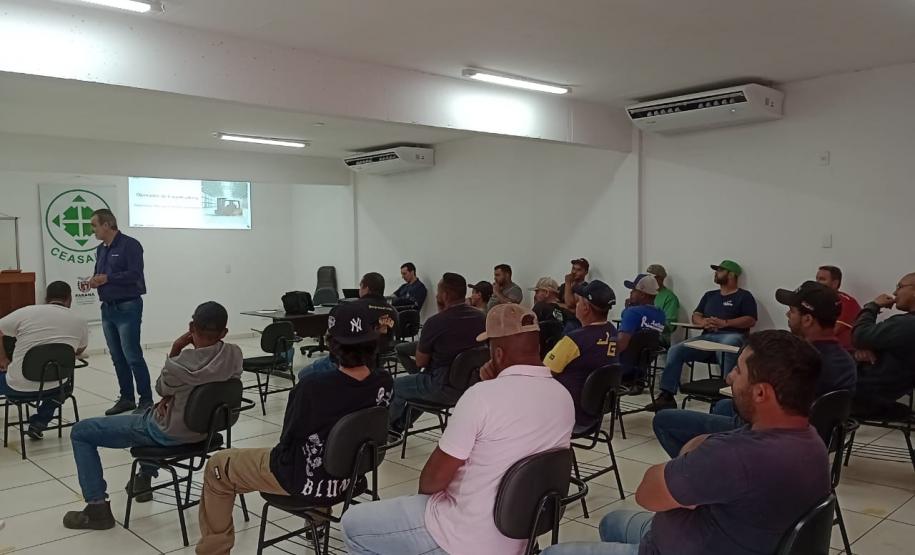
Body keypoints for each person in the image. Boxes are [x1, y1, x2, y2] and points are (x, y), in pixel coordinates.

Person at [543, 330, 830, 555]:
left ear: (761, 393)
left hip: (669, 548)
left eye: (739, 371)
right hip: (707, 533)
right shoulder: (811, 441)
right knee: (611, 521)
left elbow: (647, 494)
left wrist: (691, 463)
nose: (729, 376)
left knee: (551, 553)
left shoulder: (736, 457)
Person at [342, 304, 575, 555]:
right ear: (537, 347)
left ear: (497, 354)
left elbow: (431, 482)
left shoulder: (481, 398)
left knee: (353, 523)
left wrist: (490, 387)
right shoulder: (563, 398)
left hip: (462, 538)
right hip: (521, 538)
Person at [195, 302, 393, 555]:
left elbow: (288, 441)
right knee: (323, 446)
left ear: (331, 342)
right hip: (350, 479)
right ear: (373, 340)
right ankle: (318, 521)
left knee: (218, 466)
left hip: (304, 480)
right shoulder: (384, 383)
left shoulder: (312, 387)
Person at [62, 302, 243, 530]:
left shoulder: (179, 364)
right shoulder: (235, 354)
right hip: (206, 432)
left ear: (191, 327)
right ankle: (144, 479)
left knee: (81, 432)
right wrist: (176, 396)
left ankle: (97, 508)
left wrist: (176, 348)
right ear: (224, 332)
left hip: (168, 433)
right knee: (151, 415)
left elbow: (161, 389)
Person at [652, 281, 858, 458]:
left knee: (665, 420)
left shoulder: (799, 360)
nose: (787, 314)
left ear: (807, 319)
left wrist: (738, 376)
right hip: (817, 439)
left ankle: (703, 476)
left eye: (792, 311)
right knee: (723, 406)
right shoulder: (845, 359)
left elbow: (758, 400)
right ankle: (720, 458)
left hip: (775, 440)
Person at [646, 260, 757, 412]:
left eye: (720, 270)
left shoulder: (744, 296)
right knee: (676, 350)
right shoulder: (710, 295)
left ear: (731, 274)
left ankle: (727, 396)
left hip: (730, 336)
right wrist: (704, 322)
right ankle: (667, 395)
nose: (716, 273)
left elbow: (750, 319)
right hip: (707, 337)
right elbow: (696, 315)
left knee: (728, 345)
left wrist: (724, 323)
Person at [389, 273, 485, 431]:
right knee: (420, 383)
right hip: (470, 387)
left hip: (441, 386)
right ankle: (402, 423)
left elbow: (420, 362)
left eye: (438, 292)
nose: (436, 295)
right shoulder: (481, 317)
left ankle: (389, 430)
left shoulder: (435, 322)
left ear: (445, 295)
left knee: (395, 385)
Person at [0, 281, 88, 439]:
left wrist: (3, 358)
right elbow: (79, 350)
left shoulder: (27, 312)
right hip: (57, 386)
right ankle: (39, 423)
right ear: (69, 299)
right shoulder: (79, 320)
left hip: (16, 386)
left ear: (45, 298)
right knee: (65, 387)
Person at [89, 208, 152, 416]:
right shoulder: (101, 250)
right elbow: (100, 274)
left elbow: (134, 274)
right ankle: (126, 398)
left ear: (107, 225)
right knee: (117, 356)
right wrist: (92, 281)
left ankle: (146, 400)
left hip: (127, 307)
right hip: (107, 309)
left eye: (95, 225)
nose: (93, 230)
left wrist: (108, 278)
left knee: (132, 355)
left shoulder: (130, 245)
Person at [544, 280, 618, 428]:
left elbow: (544, 372)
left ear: (585, 308)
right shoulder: (613, 332)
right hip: (595, 414)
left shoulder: (575, 339)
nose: (575, 305)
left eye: (578, 302)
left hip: (566, 413)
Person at [298, 272, 397, 379]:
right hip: (380, 360)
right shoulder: (393, 311)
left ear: (366, 288)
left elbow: (335, 339)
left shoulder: (353, 309)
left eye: (360, 286)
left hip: (350, 363)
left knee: (303, 374)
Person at [851, 272, 915, 418]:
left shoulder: (905, 324)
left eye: (900, 287)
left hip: (862, 394)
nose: (894, 292)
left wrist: (872, 306)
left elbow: (859, 335)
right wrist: (867, 346)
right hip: (889, 394)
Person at [618, 274, 666, 385]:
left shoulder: (632, 312)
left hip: (622, 367)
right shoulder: (661, 315)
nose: (630, 293)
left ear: (643, 294)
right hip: (641, 368)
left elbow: (621, 344)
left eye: (634, 290)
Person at [815, 265, 861, 352]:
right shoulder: (817, 300)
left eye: (822, 279)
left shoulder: (847, 302)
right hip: (821, 349)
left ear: (834, 284)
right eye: (816, 279)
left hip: (844, 353)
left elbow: (832, 331)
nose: (817, 283)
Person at [646, 264, 680, 345]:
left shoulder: (669, 297)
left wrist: (648, 324)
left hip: (659, 340)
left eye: (651, 277)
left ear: (661, 279)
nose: (648, 280)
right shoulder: (644, 294)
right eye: (647, 277)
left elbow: (669, 327)